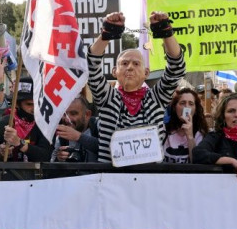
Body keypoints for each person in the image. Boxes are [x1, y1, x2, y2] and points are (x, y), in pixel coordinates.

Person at [87, 11, 186, 163]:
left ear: (146, 73)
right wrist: (107, 34)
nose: (130, 68)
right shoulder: (107, 98)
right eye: (124, 63)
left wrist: (165, 31)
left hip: (148, 180)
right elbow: (91, 67)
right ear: (114, 72)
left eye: (136, 63)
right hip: (111, 181)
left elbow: (176, 69)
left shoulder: (156, 98)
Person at [0, 76, 53, 162]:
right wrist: (0, 154)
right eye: (29, 104)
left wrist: (21, 144)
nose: (34, 109)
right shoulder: (3, 124)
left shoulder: (44, 124)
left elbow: (46, 156)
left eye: (37, 104)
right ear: (17, 104)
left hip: (36, 175)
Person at [162, 88, 208, 163]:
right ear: (174, 107)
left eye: (191, 104)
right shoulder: (164, 130)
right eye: (182, 103)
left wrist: (190, 136)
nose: (186, 107)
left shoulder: (200, 134)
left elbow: (197, 162)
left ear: (195, 109)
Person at [50, 97, 98, 162]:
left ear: (87, 115)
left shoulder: (99, 126)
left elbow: (107, 148)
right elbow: (50, 168)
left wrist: (79, 137)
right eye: (64, 114)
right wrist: (59, 159)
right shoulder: (61, 137)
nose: (67, 120)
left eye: (73, 114)